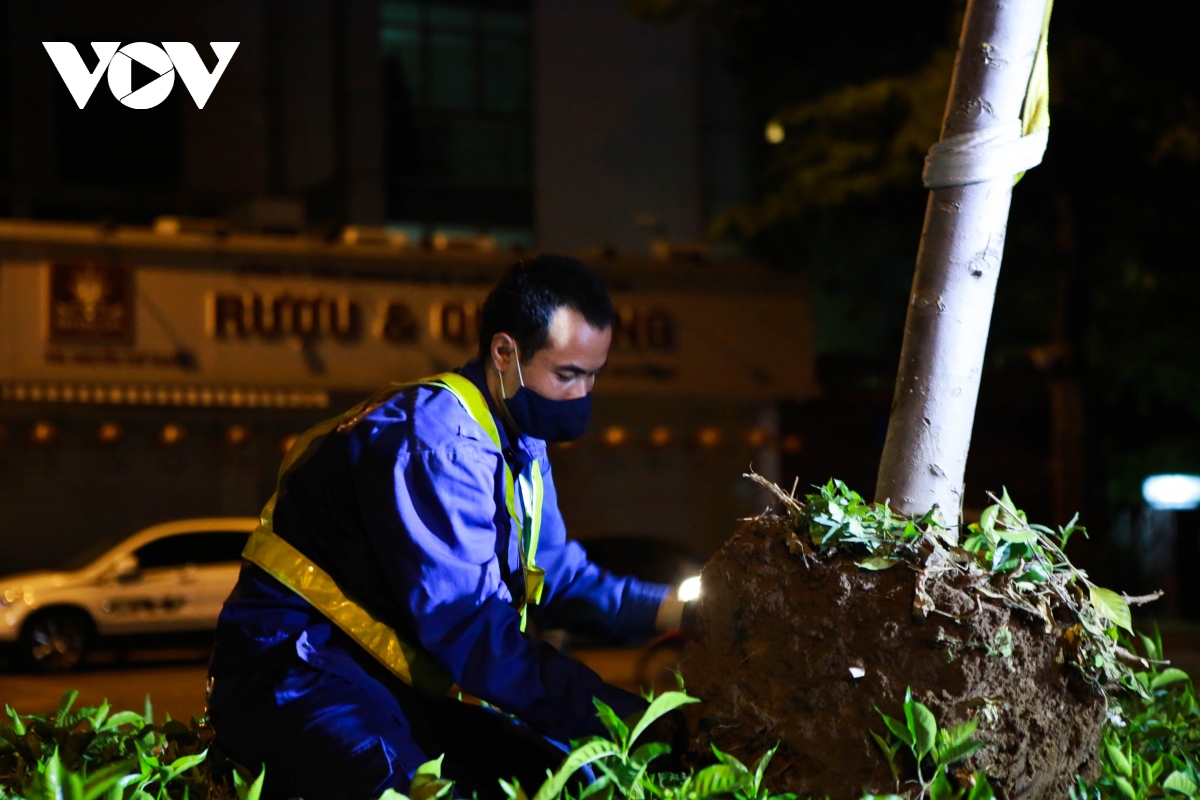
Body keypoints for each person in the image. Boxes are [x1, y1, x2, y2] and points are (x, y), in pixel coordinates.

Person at [207, 255, 689, 800]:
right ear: (504, 353)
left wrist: (676, 611)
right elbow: (474, 632)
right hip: (298, 676)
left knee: (567, 781)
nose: (582, 397)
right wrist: (633, 722)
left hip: (385, 687)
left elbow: (556, 578)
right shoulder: (438, 444)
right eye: (567, 375)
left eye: (593, 375)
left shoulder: (520, 442)